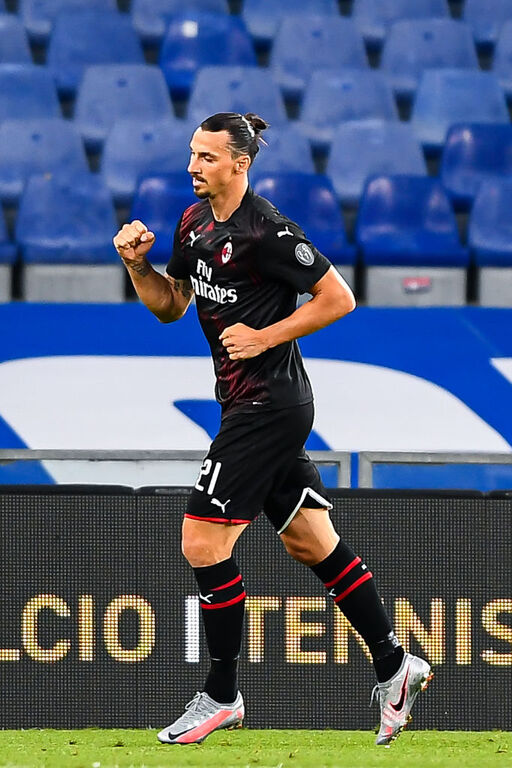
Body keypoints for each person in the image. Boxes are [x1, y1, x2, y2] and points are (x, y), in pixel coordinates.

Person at [113, 112, 432, 747]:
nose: (192, 166)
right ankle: (397, 665)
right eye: (192, 154)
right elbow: (173, 307)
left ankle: (222, 694)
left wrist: (264, 336)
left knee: (202, 543)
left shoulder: (269, 230)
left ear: (240, 163)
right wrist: (137, 266)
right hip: (245, 404)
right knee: (312, 543)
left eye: (206, 157)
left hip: (269, 405)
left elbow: (338, 298)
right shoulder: (193, 224)